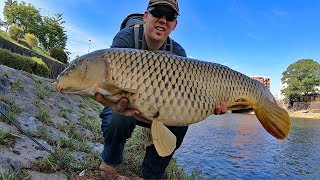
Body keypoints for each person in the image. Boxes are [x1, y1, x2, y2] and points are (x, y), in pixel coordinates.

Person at [94, 0, 227, 179]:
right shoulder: (125, 38)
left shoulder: (178, 53)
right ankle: (111, 160)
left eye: (170, 16)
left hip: (159, 109)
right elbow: (105, 85)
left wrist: (210, 103)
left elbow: (185, 97)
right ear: (146, 16)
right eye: (158, 12)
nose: (163, 20)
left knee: (180, 123)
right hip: (126, 105)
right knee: (116, 118)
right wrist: (114, 104)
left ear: (174, 24)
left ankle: (153, 173)